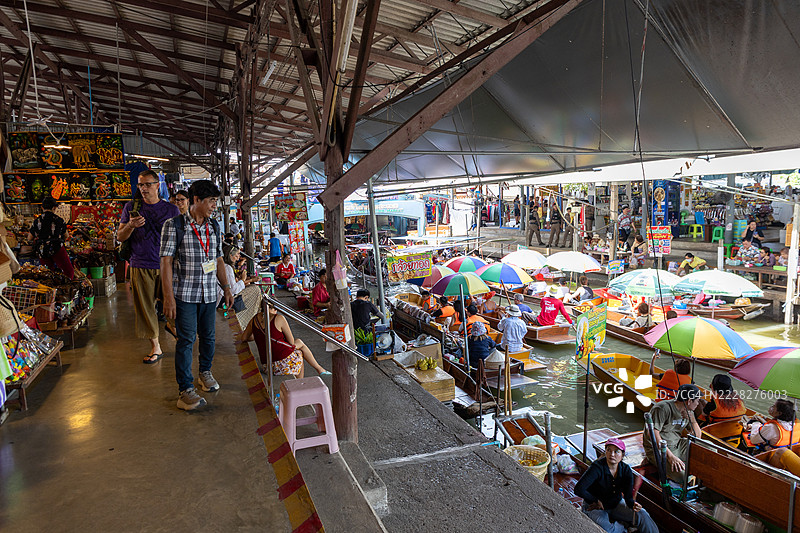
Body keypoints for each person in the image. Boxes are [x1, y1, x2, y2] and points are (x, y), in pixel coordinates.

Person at [160, 179, 231, 410]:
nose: (214, 206)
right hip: (185, 295)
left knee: (209, 337)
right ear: (196, 200)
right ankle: (185, 390)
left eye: (215, 201)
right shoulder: (174, 225)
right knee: (186, 340)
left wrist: (226, 287)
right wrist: (168, 297)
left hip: (209, 293)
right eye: (211, 201)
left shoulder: (214, 226)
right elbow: (166, 262)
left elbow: (218, 258)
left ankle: (205, 373)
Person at [119, 169, 180, 364]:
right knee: (146, 308)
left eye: (147, 184)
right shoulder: (131, 207)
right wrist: (130, 225)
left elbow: (180, 239)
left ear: (157, 185)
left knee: (174, 304)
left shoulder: (171, 210)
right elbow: (120, 236)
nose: (143, 188)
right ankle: (156, 346)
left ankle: (173, 327)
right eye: (140, 185)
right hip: (140, 263)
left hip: (166, 265)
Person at [574, 437, 658, 533]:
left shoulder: (626, 470)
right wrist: (596, 501)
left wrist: (633, 505)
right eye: (608, 450)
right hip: (594, 506)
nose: (612, 454)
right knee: (605, 528)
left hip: (615, 504)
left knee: (642, 514)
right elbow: (578, 489)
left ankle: (622, 525)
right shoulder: (597, 467)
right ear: (605, 452)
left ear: (622, 455)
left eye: (616, 451)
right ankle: (623, 527)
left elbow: (628, 498)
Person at [243, 304, 328, 377]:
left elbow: (244, 338)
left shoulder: (254, 319)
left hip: (266, 366)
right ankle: (306, 378)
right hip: (281, 365)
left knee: (299, 344)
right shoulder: (279, 318)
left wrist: (259, 336)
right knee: (299, 352)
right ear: (274, 309)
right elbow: (291, 343)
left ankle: (319, 369)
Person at [642, 384, 702, 483]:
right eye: (697, 400)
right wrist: (670, 457)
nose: (698, 404)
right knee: (683, 476)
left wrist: (692, 419)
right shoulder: (662, 408)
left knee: (710, 448)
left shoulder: (689, 412)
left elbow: (697, 437)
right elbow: (652, 433)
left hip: (677, 445)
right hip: (658, 450)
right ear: (689, 401)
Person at [29, 196, 75, 280]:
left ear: (42, 207)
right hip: (57, 248)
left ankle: (49, 287)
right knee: (68, 271)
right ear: (54, 207)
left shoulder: (37, 221)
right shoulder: (59, 220)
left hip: (42, 250)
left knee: (46, 273)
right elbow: (66, 235)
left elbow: (29, 238)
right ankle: (66, 286)